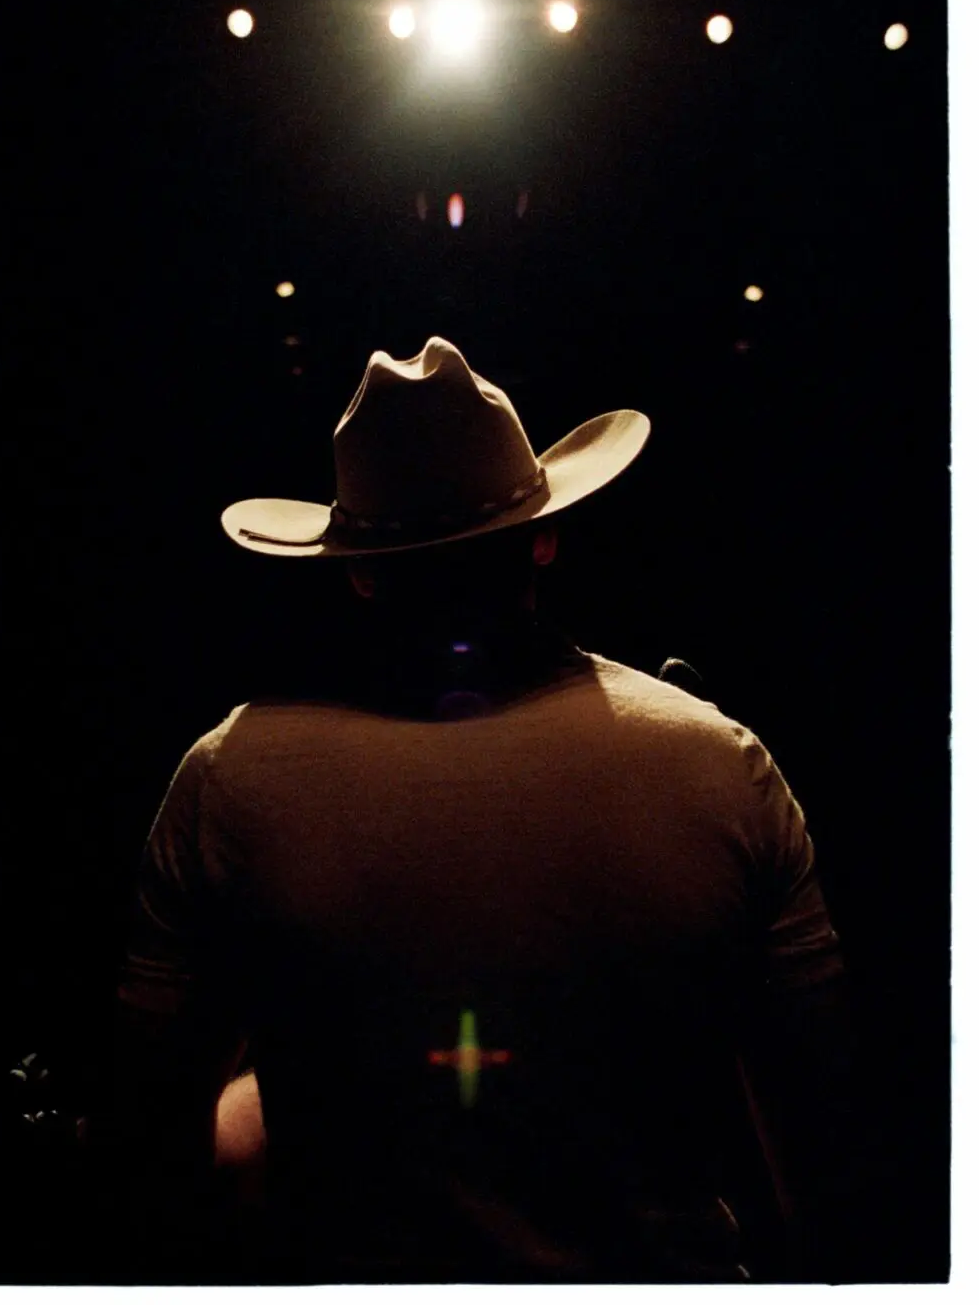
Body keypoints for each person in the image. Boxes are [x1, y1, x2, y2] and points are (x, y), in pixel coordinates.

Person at [94, 336, 859, 1283]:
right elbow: (820, 1128)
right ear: (544, 535)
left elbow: (154, 1142)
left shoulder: (228, 778)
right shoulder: (718, 762)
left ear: (358, 568)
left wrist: (309, 1071)